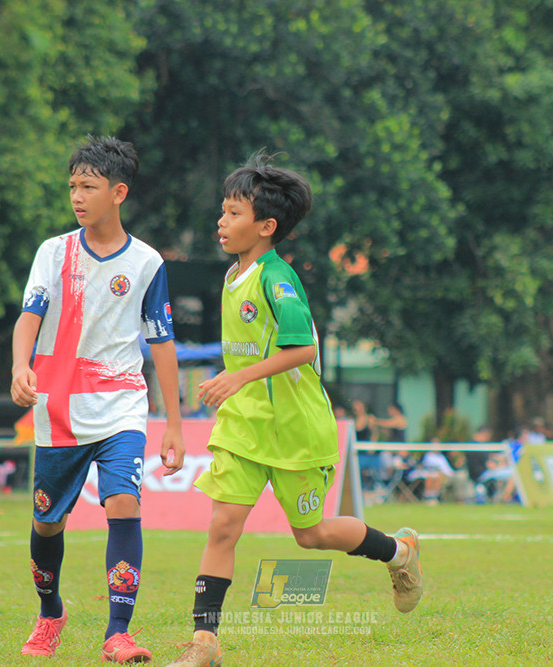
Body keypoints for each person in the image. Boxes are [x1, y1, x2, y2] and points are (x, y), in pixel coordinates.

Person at [165, 154, 422, 667]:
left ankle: (399, 552)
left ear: (266, 227)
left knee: (312, 535)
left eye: (233, 213)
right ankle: (204, 645)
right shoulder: (233, 273)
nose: (221, 221)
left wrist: (235, 377)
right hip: (244, 425)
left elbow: (303, 350)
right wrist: (234, 384)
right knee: (222, 528)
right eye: (222, 210)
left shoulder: (277, 279)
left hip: (297, 430)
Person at [10, 136, 185, 662]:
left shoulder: (148, 262)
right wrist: (21, 365)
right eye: (72, 186)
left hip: (122, 404)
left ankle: (118, 631)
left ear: (118, 192)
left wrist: (173, 423)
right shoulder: (53, 252)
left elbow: (162, 343)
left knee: (124, 503)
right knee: (47, 524)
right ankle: (49, 613)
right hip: (58, 407)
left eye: (88, 186)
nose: (77, 196)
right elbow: (29, 318)